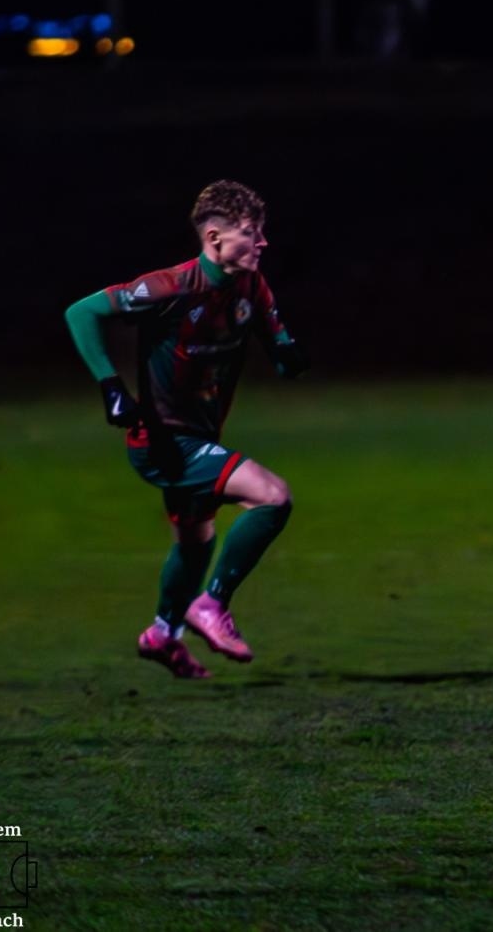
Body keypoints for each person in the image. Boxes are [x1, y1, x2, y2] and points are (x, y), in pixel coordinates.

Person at [64, 180, 308, 679]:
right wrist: (111, 386)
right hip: (164, 444)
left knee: (196, 544)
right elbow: (82, 312)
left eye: (262, 232)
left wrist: (288, 355)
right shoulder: (172, 287)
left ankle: (163, 635)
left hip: (201, 436)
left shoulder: (251, 287)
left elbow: (278, 339)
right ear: (215, 239)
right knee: (272, 497)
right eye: (250, 233)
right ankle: (211, 605)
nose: (262, 243)